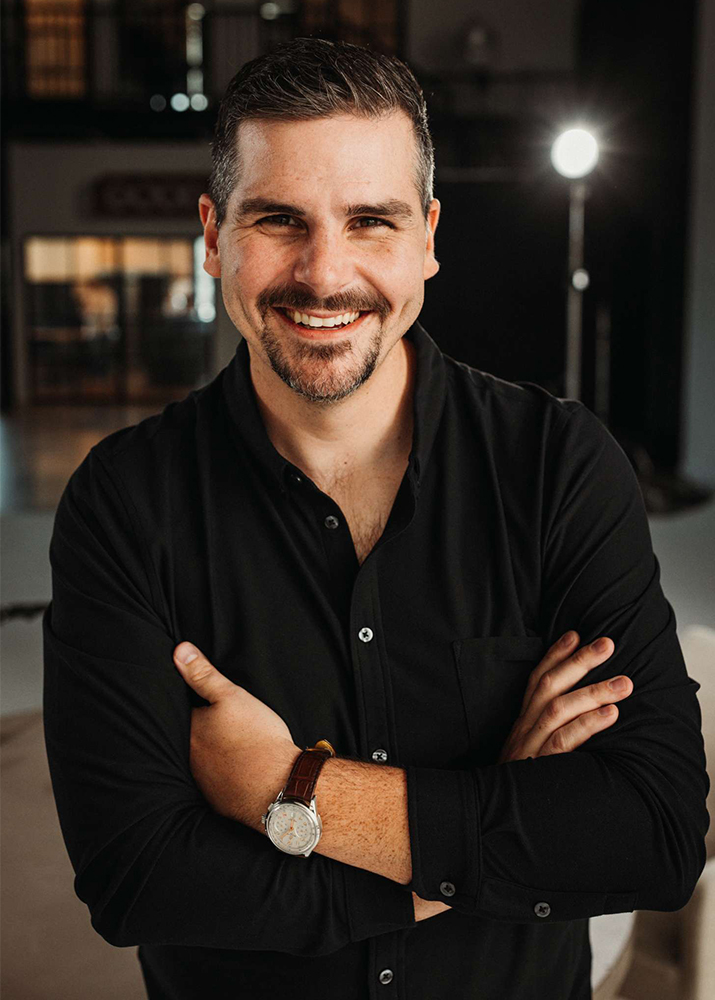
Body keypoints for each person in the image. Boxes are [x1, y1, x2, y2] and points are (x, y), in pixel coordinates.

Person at [43, 37, 709, 1000]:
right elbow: (137, 878)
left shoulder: (556, 466)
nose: (324, 273)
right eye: (278, 219)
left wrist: (293, 791)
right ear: (212, 234)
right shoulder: (123, 502)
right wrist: (482, 839)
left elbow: (649, 837)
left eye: (370, 221)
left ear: (428, 236)